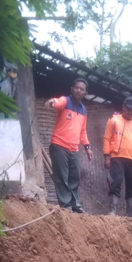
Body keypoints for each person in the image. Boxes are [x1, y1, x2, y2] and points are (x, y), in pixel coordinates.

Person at [46, 78, 93, 213]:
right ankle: (66, 206)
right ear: (72, 89)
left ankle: (75, 205)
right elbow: (58, 102)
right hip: (59, 145)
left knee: (75, 177)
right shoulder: (66, 101)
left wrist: (87, 147)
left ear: (85, 93)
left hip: (74, 149)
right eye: (76, 88)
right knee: (61, 176)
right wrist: (53, 102)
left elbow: (83, 131)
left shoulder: (83, 110)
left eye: (82, 89)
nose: (78, 90)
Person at [103, 97, 132, 217]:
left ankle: (131, 214)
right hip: (117, 157)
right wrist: (107, 156)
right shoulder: (114, 120)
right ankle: (112, 211)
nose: (131, 112)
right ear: (123, 107)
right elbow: (107, 138)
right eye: (129, 109)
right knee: (115, 182)